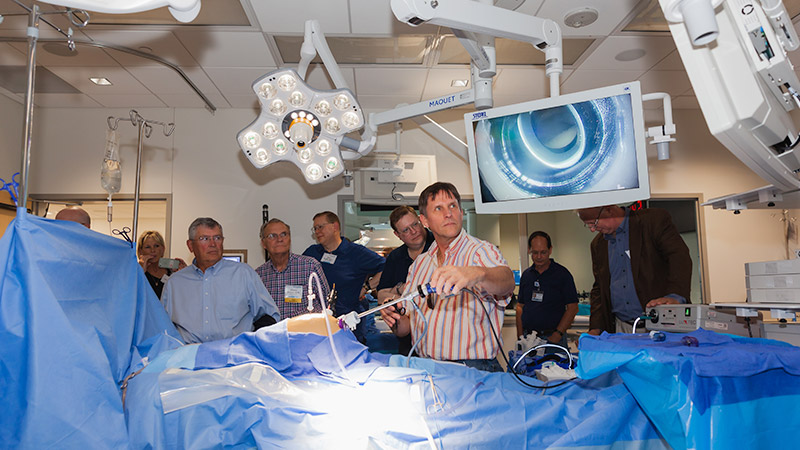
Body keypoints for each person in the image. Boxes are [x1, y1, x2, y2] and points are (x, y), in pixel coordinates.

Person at [380, 182, 515, 372]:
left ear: (461, 212)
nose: (448, 213)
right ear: (425, 221)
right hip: (428, 367)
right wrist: (393, 316)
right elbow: (406, 327)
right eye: (438, 208)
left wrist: (478, 274)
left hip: (473, 369)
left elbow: (507, 281)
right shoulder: (420, 264)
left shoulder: (480, 252)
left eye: (453, 206)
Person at [161, 217, 280, 344]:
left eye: (217, 238)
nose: (213, 244)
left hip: (234, 356)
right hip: (189, 357)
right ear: (190, 245)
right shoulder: (174, 284)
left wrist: (253, 345)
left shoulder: (243, 274)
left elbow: (270, 316)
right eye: (205, 239)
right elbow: (161, 328)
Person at [577, 205, 692, 335]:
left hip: (662, 325)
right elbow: (599, 287)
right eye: (588, 225)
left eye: (594, 223)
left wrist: (675, 296)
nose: (592, 229)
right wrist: (595, 328)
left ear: (609, 210)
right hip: (622, 327)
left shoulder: (652, 221)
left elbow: (678, 257)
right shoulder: (598, 245)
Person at [303, 211, 384, 343]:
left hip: (349, 325)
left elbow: (386, 267)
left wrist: (367, 287)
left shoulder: (356, 252)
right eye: (315, 228)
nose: (317, 231)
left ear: (335, 226)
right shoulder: (312, 252)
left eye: (320, 227)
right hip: (319, 326)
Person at [376, 205, 435, 355]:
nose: (414, 232)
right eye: (406, 230)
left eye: (415, 224)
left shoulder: (439, 246)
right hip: (409, 341)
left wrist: (403, 295)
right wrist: (401, 290)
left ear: (421, 220)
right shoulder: (396, 257)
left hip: (437, 336)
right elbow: (382, 295)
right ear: (398, 235)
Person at [256, 218, 330, 319]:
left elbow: (327, 305)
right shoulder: (258, 275)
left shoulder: (310, 267)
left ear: (289, 239)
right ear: (263, 243)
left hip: (305, 333)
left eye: (284, 234)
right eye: (272, 236)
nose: (279, 239)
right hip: (273, 333)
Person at [515, 231, 578, 348]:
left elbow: (573, 307)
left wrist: (557, 335)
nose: (539, 257)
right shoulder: (526, 275)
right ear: (529, 250)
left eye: (543, 252)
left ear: (550, 250)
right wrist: (520, 337)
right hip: (528, 339)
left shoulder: (562, 274)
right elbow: (520, 307)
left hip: (553, 339)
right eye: (535, 252)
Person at [137, 230, 187, 298]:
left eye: (156, 246)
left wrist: (185, 275)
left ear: (163, 249)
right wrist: (140, 271)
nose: (153, 250)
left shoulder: (172, 273)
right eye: (148, 247)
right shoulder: (135, 273)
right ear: (140, 251)